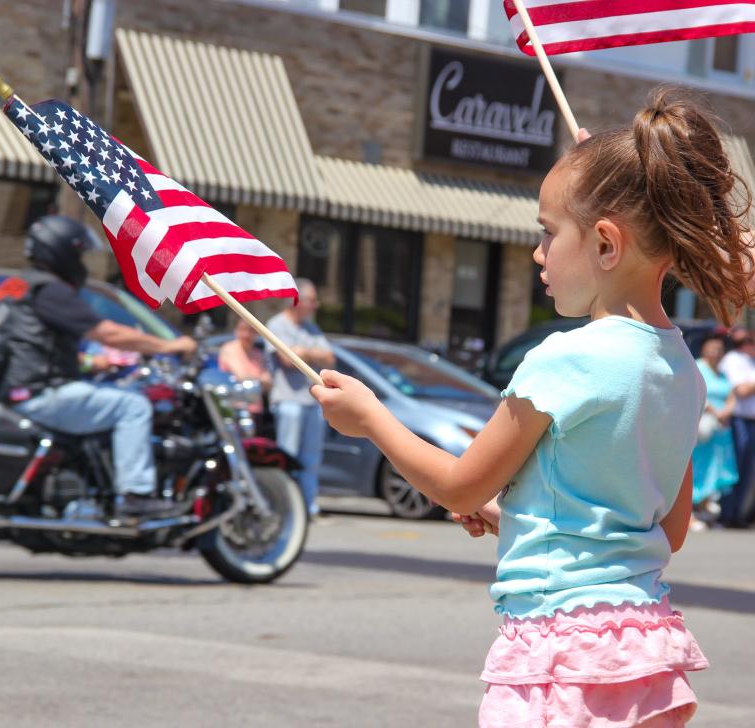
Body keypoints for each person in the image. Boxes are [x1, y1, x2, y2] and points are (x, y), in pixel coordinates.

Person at [312, 89, 754, 726]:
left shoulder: (565, 359)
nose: (538, 254)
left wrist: (370, 417)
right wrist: (513, 513)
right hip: (645, 653)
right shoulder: (683, 370)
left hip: (559, 649)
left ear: (606, 244)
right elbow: (667, 528)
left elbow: (458, 481)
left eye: (548, 234)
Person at [0, 215, 197, 518]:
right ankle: (135, 496)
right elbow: (107, 333)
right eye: (78, 253)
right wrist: (170, 346)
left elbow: (32, 345)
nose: (80, 262)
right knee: (134, 407)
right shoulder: (50, 290)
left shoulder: (15, 287)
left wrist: (91, 363)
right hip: (41, 392)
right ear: (61, 252)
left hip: (16, 389)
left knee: (107, 397)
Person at [265, 279, 335, 518]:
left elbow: (329, 358)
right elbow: (286, 360)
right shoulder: (277, 325)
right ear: (297, 300)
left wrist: (303, 352)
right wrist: (305, 354)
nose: (316, 306)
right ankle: (285, 508)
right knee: (288, 457)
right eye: (312, 300)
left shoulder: (311, 329)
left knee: (311, 459)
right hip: (288, 401)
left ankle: (307, 508)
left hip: (311, 403)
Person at [690, 332, 737, 530]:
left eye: (718, 349)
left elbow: (732, 394)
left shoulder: (723, 373)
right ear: (704, 349)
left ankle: (703, 513)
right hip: (700, 428)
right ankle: (689, 515)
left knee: (713, 469)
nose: (715, 352)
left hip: (719, 429)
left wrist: (726, 411)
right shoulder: (697, 367)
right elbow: (694, 391)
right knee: (696, 469)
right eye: (712, 348)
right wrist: (713, 411)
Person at [717, 328, 755, 527]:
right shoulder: (733, 359)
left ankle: (738, 514)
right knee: (734, 469)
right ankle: (727, 513)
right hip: (738, 420)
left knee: (748, 472)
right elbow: (741, 390)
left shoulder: (749, 362)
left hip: (751, 421)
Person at [218, 318, 272, 414]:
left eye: (251, 331)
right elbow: (242, 376)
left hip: (256, 408)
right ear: (236, 331)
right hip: (235, 408)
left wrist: (258, 380)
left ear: (256, 333)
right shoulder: (229, 349)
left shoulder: (258, 354)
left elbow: (268, 383)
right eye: (242, 329)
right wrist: (260, 380)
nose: (246, 334)